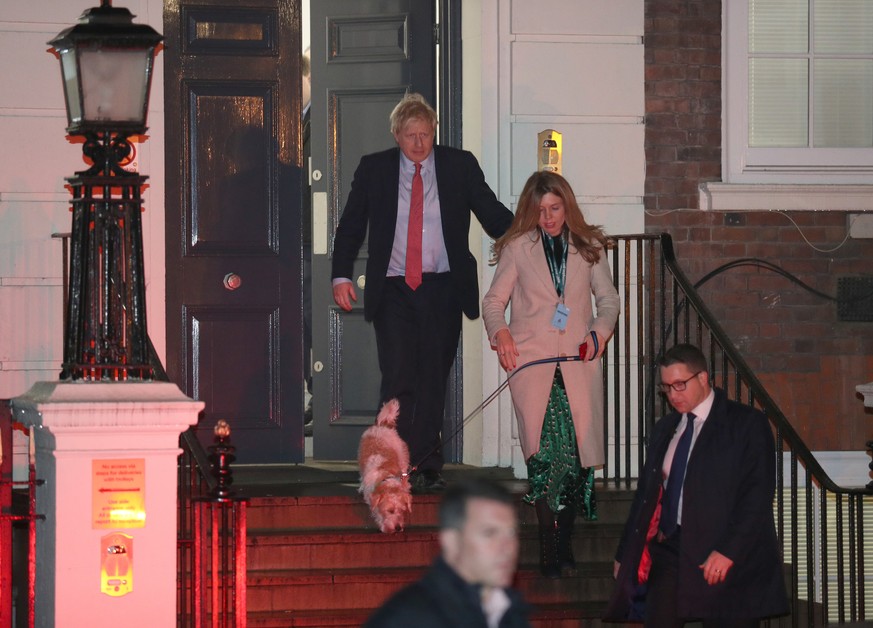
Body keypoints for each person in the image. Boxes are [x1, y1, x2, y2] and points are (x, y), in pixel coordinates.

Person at [331, 93, 514, 493]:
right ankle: (390, 462)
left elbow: (491, 212)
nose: (419, 144)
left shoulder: (458, 166)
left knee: (433, 376)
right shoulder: (375, 169)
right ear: (396, 134)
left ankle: (428, 464)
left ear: (434, 133)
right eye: (411, 135)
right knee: (398, 377)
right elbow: (351, 225)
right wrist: (341, 275)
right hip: (394, 288)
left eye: (426, 135)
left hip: (442, 287)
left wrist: (533, 233)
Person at [482, 171, 620, 578]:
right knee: (544, 459)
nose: (548, 217)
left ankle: (566, 542)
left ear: (567, 206)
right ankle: (548, 544)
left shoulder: (589, 247)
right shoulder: (517, 249)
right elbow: (493, 301)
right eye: (540, 210)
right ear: (531, 210)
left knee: (575, 459)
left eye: (555, 208)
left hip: (579, 365)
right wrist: (501, 331)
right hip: (532, 366)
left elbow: (608, 300)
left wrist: (599, 332)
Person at [606, 343, 788, 627]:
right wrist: (625, 553)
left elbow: (757, 495)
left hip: (724, 551)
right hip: (671, 548)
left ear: (703, 377)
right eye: (666, 388)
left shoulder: (746, 423)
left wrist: (729, 550)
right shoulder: (666, 428)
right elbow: (646, 496)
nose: (673, 395)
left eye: (680, 385)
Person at [363, 479, 531, 627]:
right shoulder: (408, 618)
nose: (506, 548)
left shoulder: (508, 612)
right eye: (489, 533)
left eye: (511, 533)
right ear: (452, 541)